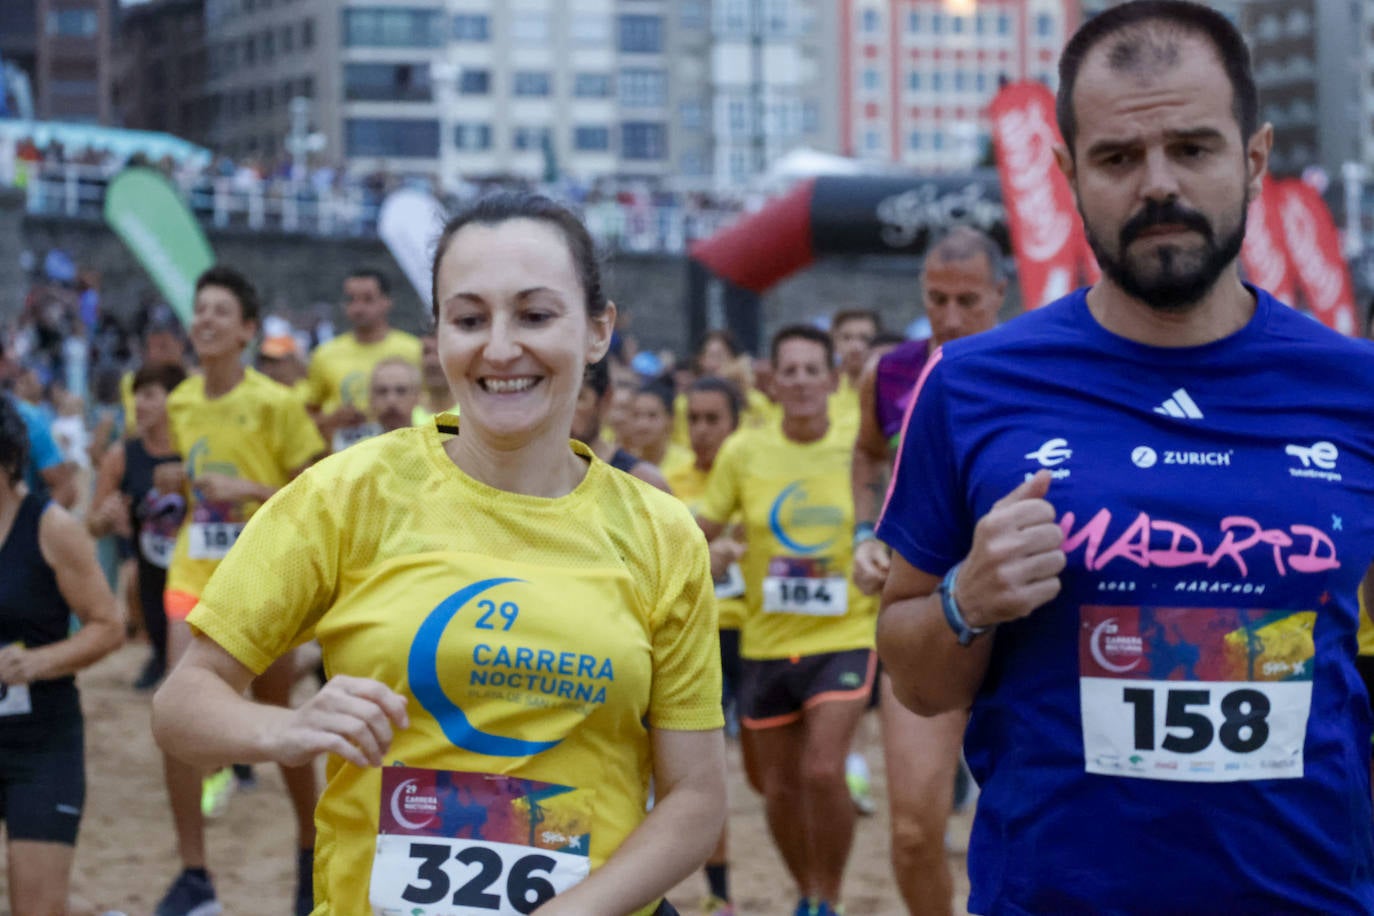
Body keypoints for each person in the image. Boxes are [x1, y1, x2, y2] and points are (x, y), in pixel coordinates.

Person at [876, 2, 1374, 911]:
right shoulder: (975, 385)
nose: (1157, 184)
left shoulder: (1355, 390)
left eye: (1192, 149)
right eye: (1117, 157)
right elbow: (911, 676)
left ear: (1253, 158)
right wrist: (967, 599)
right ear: (1067, 173)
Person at [153, 192, 727, 916]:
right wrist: (286, 729)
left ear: (598, 329)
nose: (499, 347)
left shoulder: (660, 532)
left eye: (536, 315)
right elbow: (182, 704)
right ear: (437, 337)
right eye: (468, 319)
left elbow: (697, 798)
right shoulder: (348, 493)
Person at [155, 265, 328, 916]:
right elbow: (186, 478)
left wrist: (251, 493)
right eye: (199, 310)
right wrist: (174, 489)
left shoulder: (277, 404)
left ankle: (310, 849)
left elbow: (313, 488)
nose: (204, 321)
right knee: (177, 712)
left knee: (280, 721)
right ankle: (194, 873)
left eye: (219, 312)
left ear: (247, 330)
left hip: (263, 580)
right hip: (193, 572)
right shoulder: (179, 401)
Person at [849, 225, 1006, 914]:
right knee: (914, 832)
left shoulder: (1041, 371)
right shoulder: (887, 374)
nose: (949, 317)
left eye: (967, 301)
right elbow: (864, 456)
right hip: (927, 613)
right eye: (936, 298)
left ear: (999, 294)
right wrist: (864, 532)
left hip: (1030, 624)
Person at [698, 325, 877, 916]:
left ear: (831, 379)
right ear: (772, 382)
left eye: (811, 370)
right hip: (767, 640)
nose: (801, 382)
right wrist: (712, 548)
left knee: (824, 770)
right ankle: (807, 892)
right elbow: (707, 525)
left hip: (845, 634)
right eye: (789, 371)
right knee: (775, 789)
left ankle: (830, 895)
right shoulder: (745, 451)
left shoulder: (859, 441)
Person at [0, 396, 124, 916]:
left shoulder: (51, 528)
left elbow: (108, 626)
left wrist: (36, 664)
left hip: (39, 745)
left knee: (37, 906)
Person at [665, 376, 747, 916]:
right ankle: (716, 893)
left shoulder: (753, 469)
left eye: (713, 419)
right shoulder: (664, 478)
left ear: (735, 423)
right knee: (697, 765)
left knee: (756, 773)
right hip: (691, 637)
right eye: (693, 419)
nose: (701, 430)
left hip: (747, 629)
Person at [88, 363, 188, 690]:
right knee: (159, 640)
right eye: (135, 397)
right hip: (151, 576)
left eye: (148, 395)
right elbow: (92, 524)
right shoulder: (122, 455)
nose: (138, 405)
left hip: (198, 574)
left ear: (176, 399)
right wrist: (106, 516)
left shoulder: (197, 450)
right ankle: (158, 657)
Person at [305, 269, 421, 451]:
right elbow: (309, 413)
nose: (358, 308)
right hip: (345, 456)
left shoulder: (414, 350)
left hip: (406, 451)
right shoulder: (325, 354)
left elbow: (433, 405)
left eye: (368, 299)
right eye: (351, 300)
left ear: (387, 302)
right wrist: (332, 420)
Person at [573, 357, 671, 491]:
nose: (564, 410)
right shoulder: (539, 474)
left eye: (579, 398)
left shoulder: (642, 481)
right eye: (556, 397)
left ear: (605, 400)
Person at [827, 309, 880, 436]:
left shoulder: (887, 391)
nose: (855, 346)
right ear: (834, 343)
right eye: (846, 338)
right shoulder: (820, 389)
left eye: (864, 338)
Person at [626, 381, 693, 475]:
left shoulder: (688, 465)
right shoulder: (625, 465)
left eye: (652, 416)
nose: (642, 425)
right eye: (636, 415)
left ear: (670, 420)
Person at [368, 356, 421, 434]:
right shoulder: (353, 444)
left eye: (401, 391)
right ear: (371, 398)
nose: (391, 400)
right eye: (382, 391)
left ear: (417, 396)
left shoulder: (438, 439)